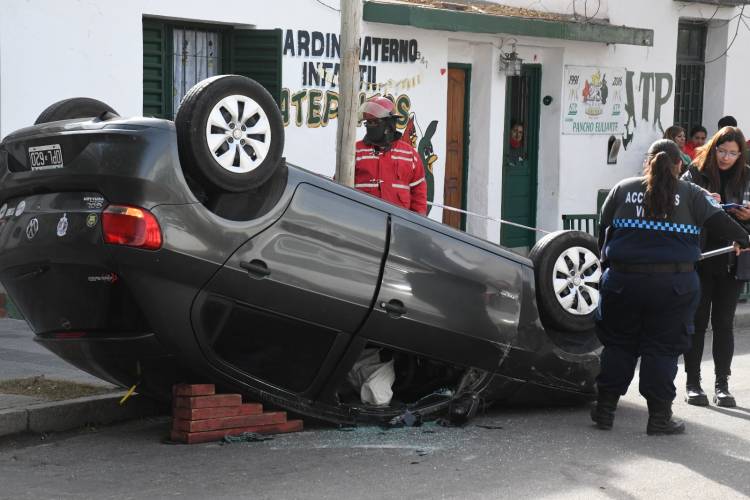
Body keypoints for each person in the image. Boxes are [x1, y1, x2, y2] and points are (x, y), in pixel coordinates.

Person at [591, 139, 749, 436]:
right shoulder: (693, 194)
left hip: (623, 283)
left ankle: (605, 409)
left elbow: (603, 235)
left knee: (618, 344)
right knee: (661, 349)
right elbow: (730, 229)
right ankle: (659, 417)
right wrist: (742, 239)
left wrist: (608, 267)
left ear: (647, 162)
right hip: (673, 287)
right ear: (679, 165)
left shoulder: (623, 188)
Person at [681, 126, 750, 408]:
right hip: (700, 257)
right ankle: (692, 383)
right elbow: (678, 208)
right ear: (713, 148)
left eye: (733, 153)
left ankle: (722, 385)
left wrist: (747, 218)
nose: (726, 158)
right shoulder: (695, 173)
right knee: (696, 323)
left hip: (732, 258)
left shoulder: (746, 174)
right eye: (722, 151)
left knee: (724, 324)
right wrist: (704, 204)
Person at [354, 96, 427, 215]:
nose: (370, 126)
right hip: (362, 225)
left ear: (389, 125)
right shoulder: (355, 151)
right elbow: (340, 186)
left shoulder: (409, 155)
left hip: (397, 226)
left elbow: (419, 194)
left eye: (375, 122)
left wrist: (416, 225)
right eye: (368, 122)